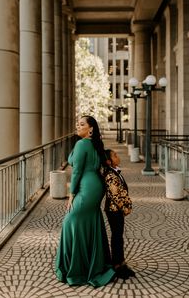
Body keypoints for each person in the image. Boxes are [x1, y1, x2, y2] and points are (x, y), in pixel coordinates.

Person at [55, 115, 116, 287]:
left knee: (70, 221)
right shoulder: (93, 144)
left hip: (86, 189)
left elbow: (76, 172)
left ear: (91, 129)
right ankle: (91, 263)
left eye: (82, 124)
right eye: (77, 123)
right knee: (87, 222)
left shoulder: (82, 144)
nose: (78, 126)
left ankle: (76, 269)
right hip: (95, 187)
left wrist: (71, 194)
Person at [103, 148, 135, 279]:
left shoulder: (115, 172)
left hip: (117, 210)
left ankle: (120, 261)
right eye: (115, 155)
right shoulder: (110, 175)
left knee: (119, 236)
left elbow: (122, 192)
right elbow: (116, 195)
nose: (118, 156)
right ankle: (117, 264)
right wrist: (126, 208)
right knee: (117, 237)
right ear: (109, 161)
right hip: (114, 210)